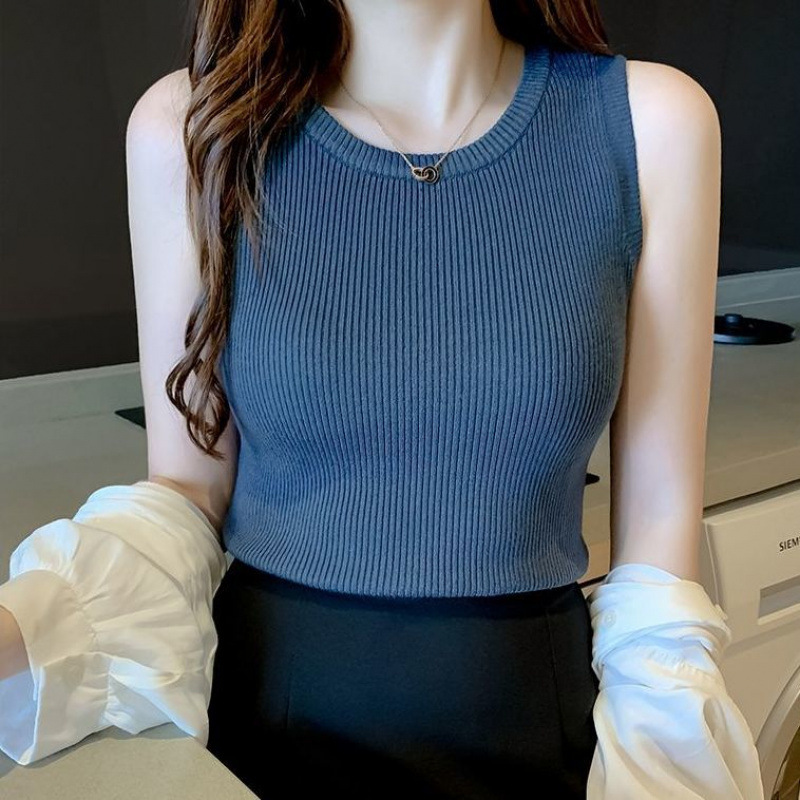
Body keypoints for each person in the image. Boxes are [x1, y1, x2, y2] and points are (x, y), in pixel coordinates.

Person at [0, 1, 765, 798]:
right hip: (270, 734)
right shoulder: (197, 124)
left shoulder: (651, 125)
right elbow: (185, 495)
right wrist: (32, 621)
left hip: (534, 734)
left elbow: (658, 548)